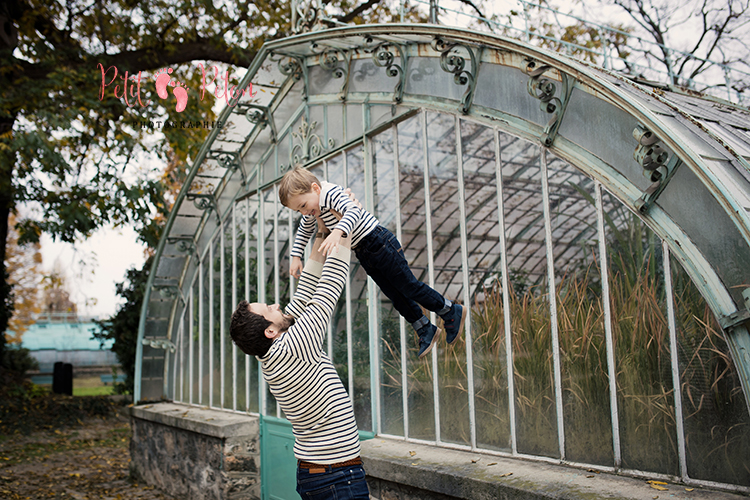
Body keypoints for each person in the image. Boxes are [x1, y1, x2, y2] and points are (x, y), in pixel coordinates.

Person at [230, 227, 369, 499]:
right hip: (336, 477)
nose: (276, 305)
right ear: (270, 331)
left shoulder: (272, 350)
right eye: (269, 309)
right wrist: (344, 230)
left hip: (318, 474)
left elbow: (305, 294)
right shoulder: (293, 345)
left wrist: (321, 231)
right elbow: (326, 293)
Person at [278, 166, 467, 358]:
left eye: (302, 205)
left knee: (409, 286)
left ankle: (450, 310)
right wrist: (295, 257)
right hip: (364, 252)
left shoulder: (331, 193)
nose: (304, 213)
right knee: (395, 295)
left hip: (379, 242)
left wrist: (337, 231)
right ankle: (424, 327)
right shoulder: (313, 210)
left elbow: (353, 210)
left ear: (315, 189)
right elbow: (303, 232)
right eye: (298, 210)